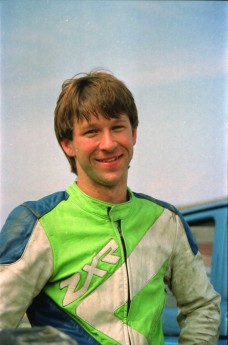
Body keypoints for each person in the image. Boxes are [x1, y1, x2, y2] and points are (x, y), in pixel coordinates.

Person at [0, 71, 221, 345]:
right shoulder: (38, 224)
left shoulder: (166, 222)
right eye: (91, 131)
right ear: (68, 144)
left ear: (133, 133)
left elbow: (202, 306)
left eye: (117, 127)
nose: (108, 144)